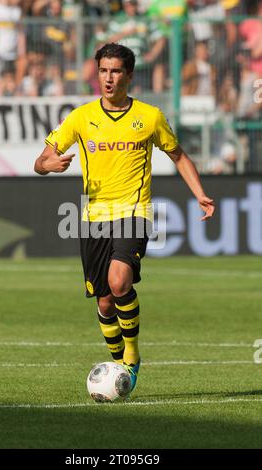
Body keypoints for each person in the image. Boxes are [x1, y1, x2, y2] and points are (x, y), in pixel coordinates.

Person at [34, 43, 215, 394]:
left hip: (133, 213)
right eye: (103, 70)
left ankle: (131, 357)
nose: (108, 78)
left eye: (115, 71)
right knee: (104, 301)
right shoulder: (80, 117)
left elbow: (179, 156)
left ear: (129, 76)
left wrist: (200, 193)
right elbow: (41, 160)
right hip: (93, 218)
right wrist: (47, 165)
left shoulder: (149, 117)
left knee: (120, 282)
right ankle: (118, 363)